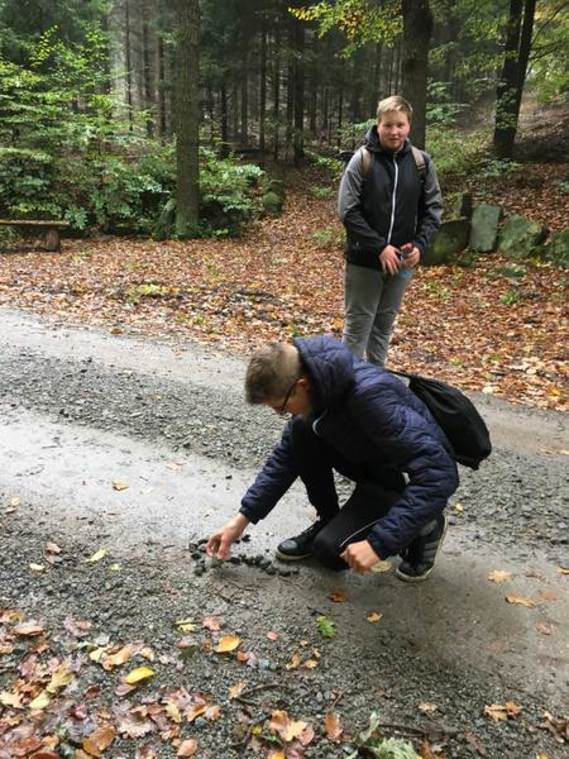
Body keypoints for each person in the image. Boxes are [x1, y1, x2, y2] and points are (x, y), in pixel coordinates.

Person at [206, 336, 458, 582]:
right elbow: (284, 460)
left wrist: (377, 544)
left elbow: (439, 474)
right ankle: (328, 520)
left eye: (280, 408)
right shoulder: (321, 384)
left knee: (331, 552)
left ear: (301, 386)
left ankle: (428, 525)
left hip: (398, 479)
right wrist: (241, 520)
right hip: (369, 462)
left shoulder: (371, 398)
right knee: (301, 432)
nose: (279, 414)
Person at [338, 95, 442, 367]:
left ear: (409, 126)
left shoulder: (421, 163)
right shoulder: (363, 161)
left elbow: (433, 209)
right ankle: (345, 391)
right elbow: (347, 211)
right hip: (365, 261)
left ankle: (374, 387)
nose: (394, 131)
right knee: (358, 328)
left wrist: (420, 245)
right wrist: (379, 247)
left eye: (400, 125)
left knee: (383, 327)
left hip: (403, 261)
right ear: (378, 125)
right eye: (388, 125)